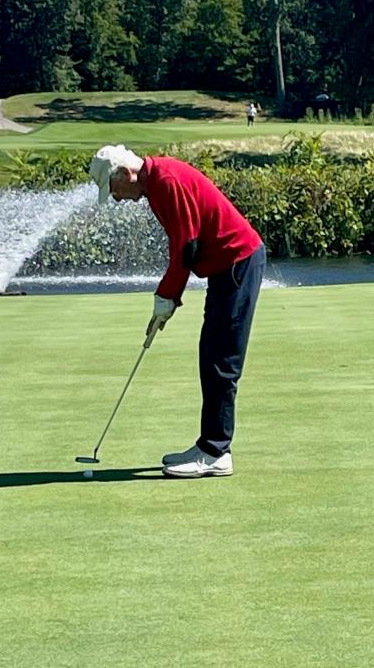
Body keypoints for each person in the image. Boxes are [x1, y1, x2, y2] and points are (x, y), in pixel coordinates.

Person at [88, 145, 266, 478]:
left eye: (113, 190)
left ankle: (216, 452)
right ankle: (208, 445)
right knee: (210, 354)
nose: (116, 199)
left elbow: (187, 247)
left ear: (126, 174)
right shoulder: (155, 184)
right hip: (226, 268)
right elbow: (183, 245)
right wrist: (166, 298)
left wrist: (166, 298)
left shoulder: (166, 181)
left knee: (222, 360)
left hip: (238, 263)